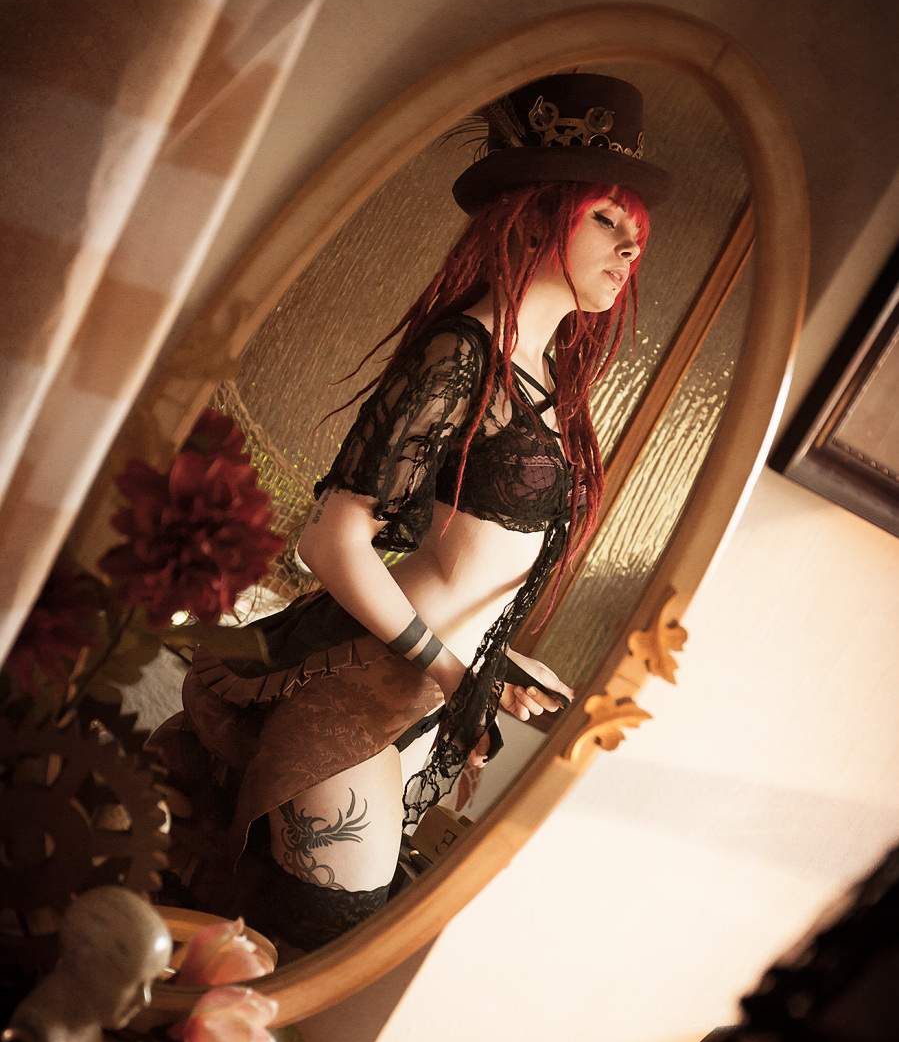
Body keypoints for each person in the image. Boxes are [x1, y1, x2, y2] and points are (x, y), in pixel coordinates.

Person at [151, 73, 670, 951]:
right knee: (313, 942)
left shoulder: (544, 377)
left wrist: (495, 664)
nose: (627, 248)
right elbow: (331, 540)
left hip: (436, 688)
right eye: (604, 219)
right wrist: (454, 671)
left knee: (285, 940)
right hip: (373, 682)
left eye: (635, 232)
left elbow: (480, 552)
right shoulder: (459, 355)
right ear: (535, 215)